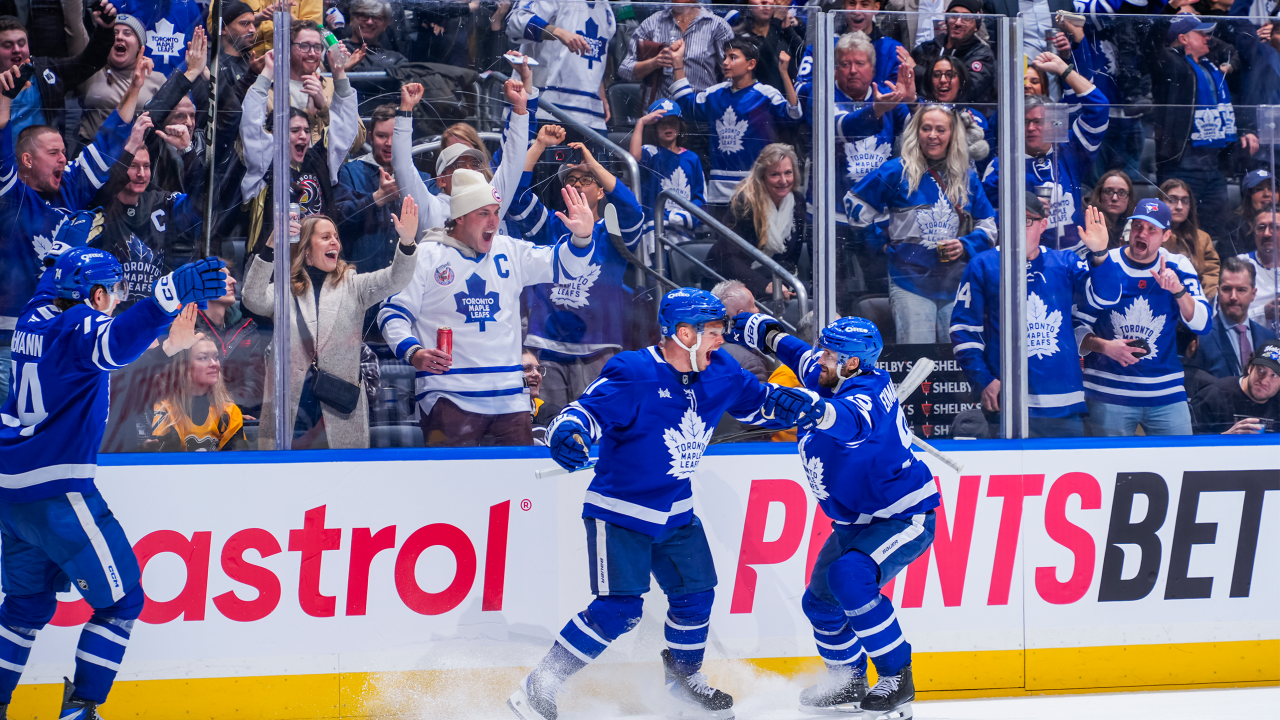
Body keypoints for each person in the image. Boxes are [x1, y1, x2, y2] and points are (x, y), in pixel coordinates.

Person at [508, 288, 821, 720]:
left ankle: (683, 684)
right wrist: (567, 431)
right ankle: (540, 684)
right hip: (620, 512)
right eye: (713, 331)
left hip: (676, 511)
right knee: (619, 611)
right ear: (684, 333)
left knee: (696, 594)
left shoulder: (721, 369)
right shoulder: (634, 371)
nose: (721, 339)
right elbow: (585, 413)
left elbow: (758, 404)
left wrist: (789, 405)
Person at [0, 247, 225, 720]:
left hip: (13, 495)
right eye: (115, 291)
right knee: (123, 602)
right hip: (58, 494)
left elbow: (56, 294)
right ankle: (80, 711)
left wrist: (64, 247)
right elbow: (115, 342)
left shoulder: (33, 316)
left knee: (23, 608)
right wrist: (164, 299)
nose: (118, 299)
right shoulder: (80, 325)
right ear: (96, 294)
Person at [724, 313, 937, 719]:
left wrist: (814, 410)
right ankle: (848, 681)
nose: (820, 358)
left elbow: (850, 421)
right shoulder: (829, 374)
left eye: (829, 353)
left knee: (849, 578)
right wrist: (754, 326)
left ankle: (897, 676)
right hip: (854, 522)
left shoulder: (868, 393)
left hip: (902, 515)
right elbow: (791, 349)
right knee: (820, 604)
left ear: (852, 362)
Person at [377, 173, 598, 447]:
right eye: (483, 213)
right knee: (453, 475)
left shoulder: (509, 250)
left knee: (519, 475)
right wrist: (413, 352)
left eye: (496, 212)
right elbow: (392, 313)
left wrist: (581, 237)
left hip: (510, 400)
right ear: (460, 216)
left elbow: (567, 267)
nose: (494, 221)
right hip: (449, 396)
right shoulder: (427, 254)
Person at [242, 203, 419, 449]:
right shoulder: (284, 289)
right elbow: (252, 298)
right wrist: (271, 246)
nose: (335, 242)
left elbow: (395, 279)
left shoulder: (354, 286)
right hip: (291, 414)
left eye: (336, 236)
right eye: (325, 237)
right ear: (306, 249)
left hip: (339, 414)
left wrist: (407, 243)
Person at [950, 195, 1110, 437]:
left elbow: (1105, 298)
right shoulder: (984, 265)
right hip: (1008, 404)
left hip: (1065, 402)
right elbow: (963, 332)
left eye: (1026, 220)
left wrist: (1100, 254)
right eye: (1011, 220)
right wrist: (984, 380)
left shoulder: (1065, 263)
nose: (1017, 228)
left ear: (1043, 225)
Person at [511, 129, 645, 409]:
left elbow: (632, 209)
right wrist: (539, 145)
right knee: (547, 424)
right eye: (571, 180)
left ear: (601, 190)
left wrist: (593, 164)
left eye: (587, 180)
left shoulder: (613, 233)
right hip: (547, 347)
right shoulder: (549, 226)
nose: (578, 185)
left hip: (599, 348)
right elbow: (516, 197)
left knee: (598, 424)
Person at [846, 104, 998, 343]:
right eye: (926, 128)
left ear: (952, 134)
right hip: (909, 281)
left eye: (940, 129)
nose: (932, 135)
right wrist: (879, 244)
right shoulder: (896, 171)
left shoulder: (966, 177)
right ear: (916, 132)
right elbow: (854, 204)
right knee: (917, 357)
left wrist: (965, 245)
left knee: (958, 358)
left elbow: (989, 225)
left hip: (956, 284)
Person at [1076, 199, 1214, 436]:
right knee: (1110, 459)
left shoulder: (1178, 265)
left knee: (1182, 456)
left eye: (1152, 229)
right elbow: (1076, 326)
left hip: (1166, 393)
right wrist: (1106, 347)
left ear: (1166, 235)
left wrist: (1179, 291)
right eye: (1138, 226)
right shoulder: (1104, 262)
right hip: (1108, 392)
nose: (1142, 233)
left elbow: (1203, 325)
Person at [982, 52, 1108, 253]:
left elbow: (1099, 107)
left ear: (1052, 124)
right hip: (1028, 258)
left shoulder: (1070, 148)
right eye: (1025, 122)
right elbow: (987, 219)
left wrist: (1063, 69)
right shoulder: (1001, 166)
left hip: (1075, 256)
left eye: (1038, 122)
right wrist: (1020, 212)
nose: (1031, 128)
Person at [239, 44, 356, 252]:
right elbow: (250, 125)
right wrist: (267, 72)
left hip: (316, 259)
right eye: (294, 130)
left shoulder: (319, 161)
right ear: (274, 136)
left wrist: (339, 73)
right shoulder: (263, 165)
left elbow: (346, 130)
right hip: (273, 262)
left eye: (306, 130)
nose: (303, 135)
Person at [391, 62, 531, 234]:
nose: (469, 170)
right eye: (459, 165)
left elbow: (513, 163)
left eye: (474, 164)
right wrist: (405, 110)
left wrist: (520, 108)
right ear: (441, 180)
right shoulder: (430, 209)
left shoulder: (492, 201)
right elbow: (402, 166)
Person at [1149, 15, 1258, 234]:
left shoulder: (1212, 67)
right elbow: (1151, 46)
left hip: (1214, 168)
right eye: (1201, 34)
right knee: (1174, 230)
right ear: (1183, 39)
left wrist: (1244, 130)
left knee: (1215, 230)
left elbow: (1226, 106)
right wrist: (1170, 12)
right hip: (1181, 167)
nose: (1208, 38)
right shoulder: (1172, 64)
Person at [670, 36, 801, 205]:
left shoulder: (766, 94)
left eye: (732, 57)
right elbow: (686, 105)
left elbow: (793, 115)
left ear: (751, 64)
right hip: (718, 193)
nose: (725, 62)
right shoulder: (715, 94)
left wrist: (784, 73)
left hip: (756, 191)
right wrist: (677, 62)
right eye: (725, 57)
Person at [89, 112, 203, 306]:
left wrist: (187, 152)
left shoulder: (161, 202)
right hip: (108, 312)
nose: (141, 174)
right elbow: (107, 189)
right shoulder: (101, 202)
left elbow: (200, 204)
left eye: (147, 166)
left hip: (151, 313)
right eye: (133, 166)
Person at [0, 5, 118, 144]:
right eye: (7, 45)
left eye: (21, 44)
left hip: (47, 155)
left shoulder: (45, 69)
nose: (16, 50)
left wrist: (105, 29)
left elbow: (89, 61)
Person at [708, 143, 806, 301]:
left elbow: (790, 259)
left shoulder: (798, 202)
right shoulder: (745, 202)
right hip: (730, 278)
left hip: (773, 280)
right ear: (762, 176)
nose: (783, 181)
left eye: (788, 173)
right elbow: (728, 258)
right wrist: (765, 285)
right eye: (775, 174)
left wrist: (783, 285)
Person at [506, 0, 615, 133]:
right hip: (546, 109)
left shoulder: (605, 6)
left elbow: (596, 54)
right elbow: (515, 21)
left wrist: (600, 92)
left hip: (592, 114)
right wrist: (557, 31)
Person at [74, 13, 165, 149]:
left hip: (139, 155)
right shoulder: (90, 72)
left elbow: (175, 115)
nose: (120, 37)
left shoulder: (157, 79)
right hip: (92, 153)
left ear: (140, 46)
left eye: (127, 33)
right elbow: (74, 28)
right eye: (114, 33)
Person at [145, 337, 247, 451]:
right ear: (183, 366)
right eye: (203, 358)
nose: (214, 364)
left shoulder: (230, 412)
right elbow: (164, 457)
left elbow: (236, 460)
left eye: (216, 357)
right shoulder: (165, 409)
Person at [618, 0, 734, 99]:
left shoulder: (717, 26)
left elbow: (734, 75)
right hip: (662, 111)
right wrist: (653, 63)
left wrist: (718, 104)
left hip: (700, 108)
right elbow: (624, 70)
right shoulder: (652, 23)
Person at [195, 261, 267, 419]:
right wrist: (217, 409)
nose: (233, 281)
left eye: (230, 275)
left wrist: (229, 409)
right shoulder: (187, 328)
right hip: (194, 419)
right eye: (223, 276)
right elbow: (178, 383)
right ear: (202, 285)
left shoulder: (248, 330)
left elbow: (255, 385)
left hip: (238, 419)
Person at [629, 98, 705, 244]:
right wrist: (641, 123)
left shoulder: (692, 158)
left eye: (673, 122)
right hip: (655, 230)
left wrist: (684, 217)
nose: (668, 126)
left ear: (680, 125)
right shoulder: (650, 152)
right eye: (661, 122)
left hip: (683, 232)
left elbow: (699, 198)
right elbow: (634, 157)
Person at [1197, 256, 1278, 379]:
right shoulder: (1201, 338)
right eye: (1226, 289)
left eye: (1241, 290)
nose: (1233, 297)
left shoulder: (1268, 338)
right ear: (1218, 291)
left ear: (1253, 294)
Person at [911, 0, 995, 103]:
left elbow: (966, 90)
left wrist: (917, 71)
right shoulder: (928, 48)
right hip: (925, 108)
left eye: (966, 18)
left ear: (976, 27)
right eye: (954, 16)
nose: (958, 23)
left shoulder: (982, 54)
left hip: (967, 111)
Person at [1191, 340, 1280, 433]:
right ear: (1250, 368)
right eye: (1260, 370)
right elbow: (1191, 440)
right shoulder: (1212, 397)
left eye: (1274, 375)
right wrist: (1226, 437)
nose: (1264, 381)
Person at [1160, 179, 1221, 300]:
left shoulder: (1202, 239)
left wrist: (1206, 301)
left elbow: (1211, 276)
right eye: (1171, 200)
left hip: (1195, 301)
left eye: (1185, 201)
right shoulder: (1151, 235)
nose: (1179, 207)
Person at [1221, 168, 1274, 258]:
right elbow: (1233, 263)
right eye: (1259, 189)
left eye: (1272, 188)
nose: (1267, 194)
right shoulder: (1234, 227)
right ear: (1248, 197)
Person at [1240, 211, 1278, 333]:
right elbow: (1225, 319)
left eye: (1275, 227)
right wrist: (1263, 313)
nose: (1267, 234)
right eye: (1261, 227)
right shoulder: (1240, 265)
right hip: (1253, 340)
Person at [1086, 169, 1135, 249]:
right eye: (1108, 191)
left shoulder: (1134, 223)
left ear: (1129, 199)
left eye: (1122, 193)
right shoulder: (1086, 220)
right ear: (1099, 195)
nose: (1114, 198)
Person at [523, 349, 560, 445]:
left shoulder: (552, 414)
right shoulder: (496, 417)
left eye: (538, 370)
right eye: (527, 369)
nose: (536, 374)